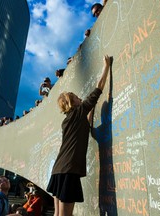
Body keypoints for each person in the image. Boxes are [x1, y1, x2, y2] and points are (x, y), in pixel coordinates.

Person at [46, 55, 111, 216]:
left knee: (58, 214)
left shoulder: (68, 120)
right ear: (72, 103)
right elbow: (99, 88)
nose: (79, 97)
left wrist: (91, 112)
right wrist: (107, 66)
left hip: (58, 171)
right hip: (69, 170)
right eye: (76, 97)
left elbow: (86, 126)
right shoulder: (80, 111)